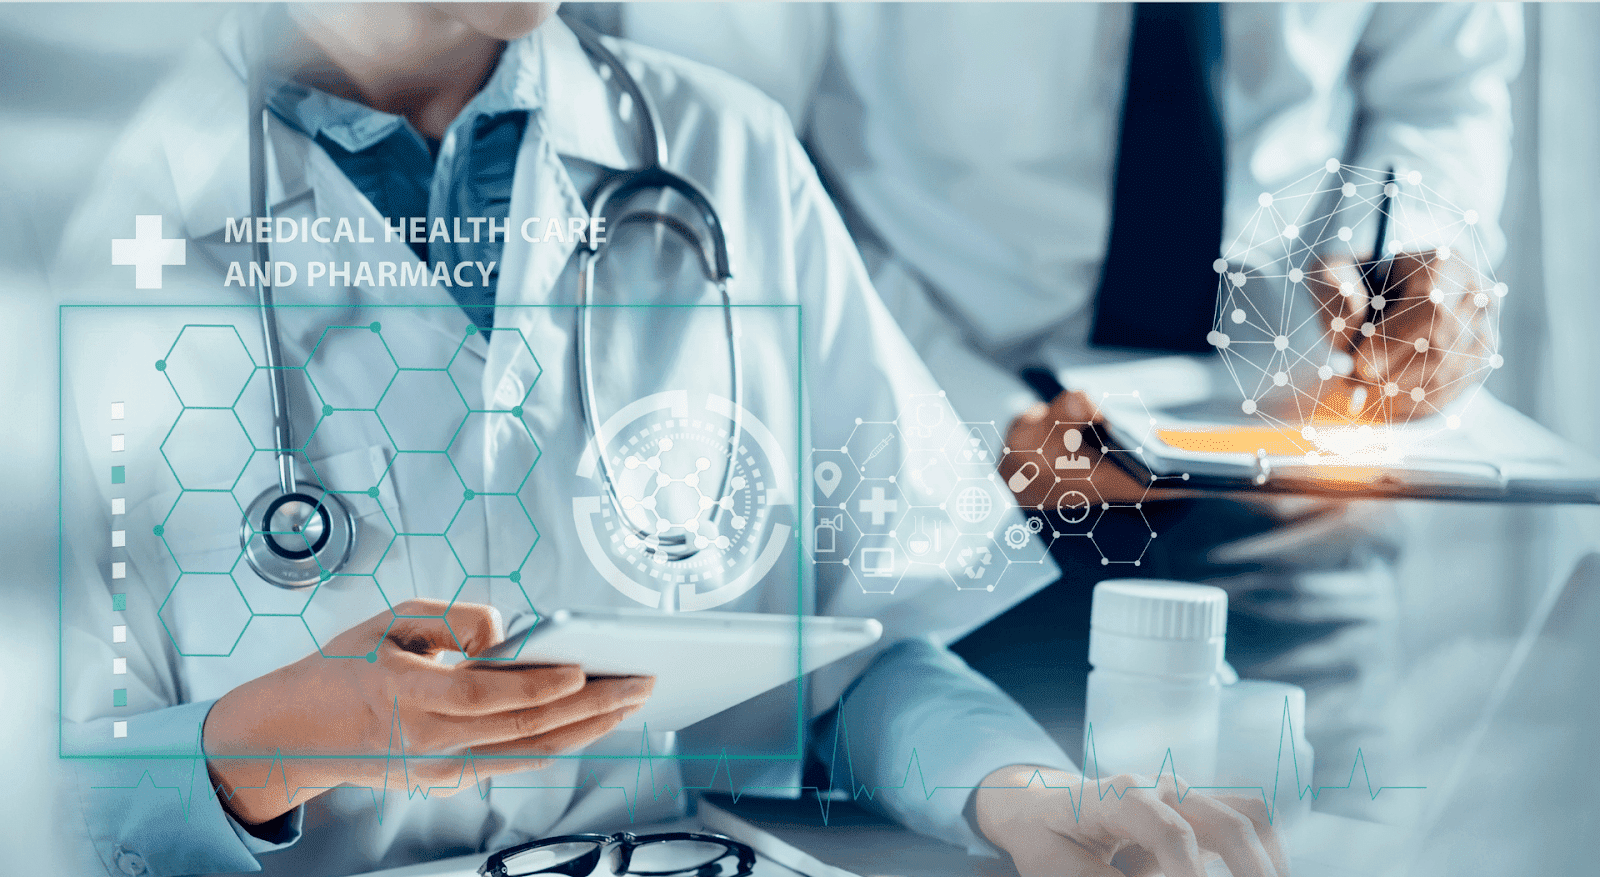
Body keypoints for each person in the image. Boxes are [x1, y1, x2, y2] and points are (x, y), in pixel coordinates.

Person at [56, 4, 1293, 877]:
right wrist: (261, 745)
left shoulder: (726, 151)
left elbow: (854, 654)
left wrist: (1011, 789)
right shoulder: (81, 210)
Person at [613, 1, 1523, 805]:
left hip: (1292, 495)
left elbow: (1440, 80)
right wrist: (969, 420)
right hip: (953, 511)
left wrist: (1410, 247)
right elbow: (724, 149)